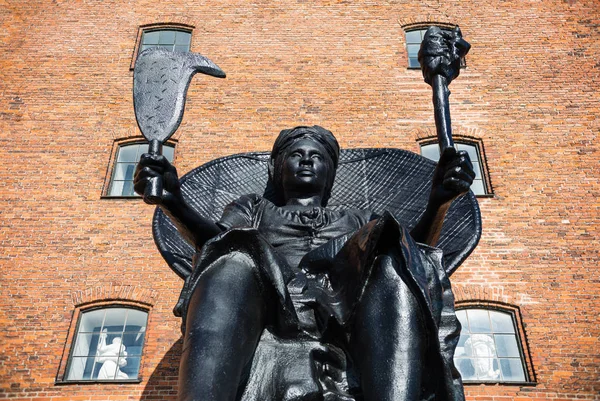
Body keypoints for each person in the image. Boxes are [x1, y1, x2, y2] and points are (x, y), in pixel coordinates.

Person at [134, 123, 475, 400]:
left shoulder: (357, 217)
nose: (307, 160)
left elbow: (412, 258)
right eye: (296, 154)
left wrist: (438, 204)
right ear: (277, 167)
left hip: (344, 307)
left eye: (317, 156)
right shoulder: (254, 208)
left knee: (389, 248)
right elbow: (214, 244)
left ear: (331, 171)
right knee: (232, 257)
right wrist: (174, 202)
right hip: (270, 299)